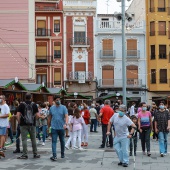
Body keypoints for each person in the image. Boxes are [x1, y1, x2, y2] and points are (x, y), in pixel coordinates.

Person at [16, 93, 40, 159]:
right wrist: (35, 120)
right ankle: (35, 153)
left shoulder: (21, 105)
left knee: (24, 139)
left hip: (23, 124)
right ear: (31, 98)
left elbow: (17, 115)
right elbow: (38, 115)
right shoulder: (34, 105)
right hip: (32, 124)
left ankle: (24, 154)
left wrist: (19, 121)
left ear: (25, 97)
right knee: (33, 139)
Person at [48, 95, 68, 161]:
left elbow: (66, 116)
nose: (58, 101)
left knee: (62, 141)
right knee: (54, 141)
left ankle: (62, 154)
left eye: (59, 99)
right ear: (54, 101)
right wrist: (48, 126)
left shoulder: (64, 107)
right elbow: (49, 117)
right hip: (54, 127)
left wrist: (66, 123)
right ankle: (54, 155)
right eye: (57, 100)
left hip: (62, 127)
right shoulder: (51, 108)